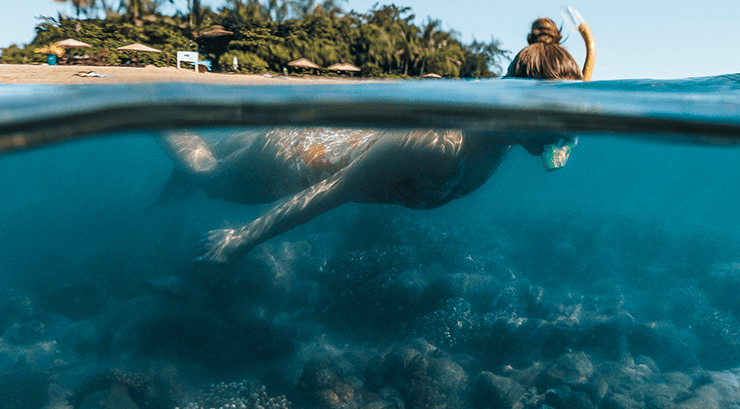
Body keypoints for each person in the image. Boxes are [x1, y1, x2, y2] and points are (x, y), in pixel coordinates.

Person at [158, 18, 595, 263]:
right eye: (556, 119)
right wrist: (243, 239)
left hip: (322, 143)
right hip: (299, 156)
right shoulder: (434, 142)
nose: (565, 133)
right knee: (206, 174)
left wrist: (587, 49)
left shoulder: (528, 133)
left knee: (210, 169)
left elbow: (567, 117)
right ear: (521, 107)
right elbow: (335, 190)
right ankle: (163, 114)